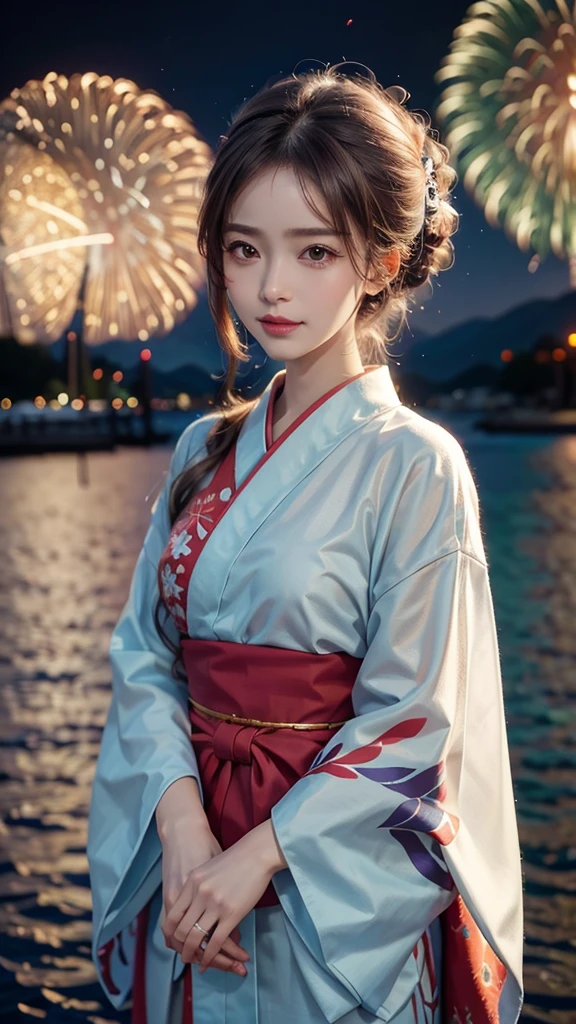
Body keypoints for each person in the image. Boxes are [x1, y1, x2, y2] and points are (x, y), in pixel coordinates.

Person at [87, 64, 524, 1024]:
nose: (270, 288)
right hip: (191, 868)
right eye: (244, 250)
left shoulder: (417, 464)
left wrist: (252, 859)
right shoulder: (208, 448)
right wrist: (185, 830)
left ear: (377, 260)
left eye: (314, 252)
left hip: (315, 890)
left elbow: (413, 720)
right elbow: (145, 659)